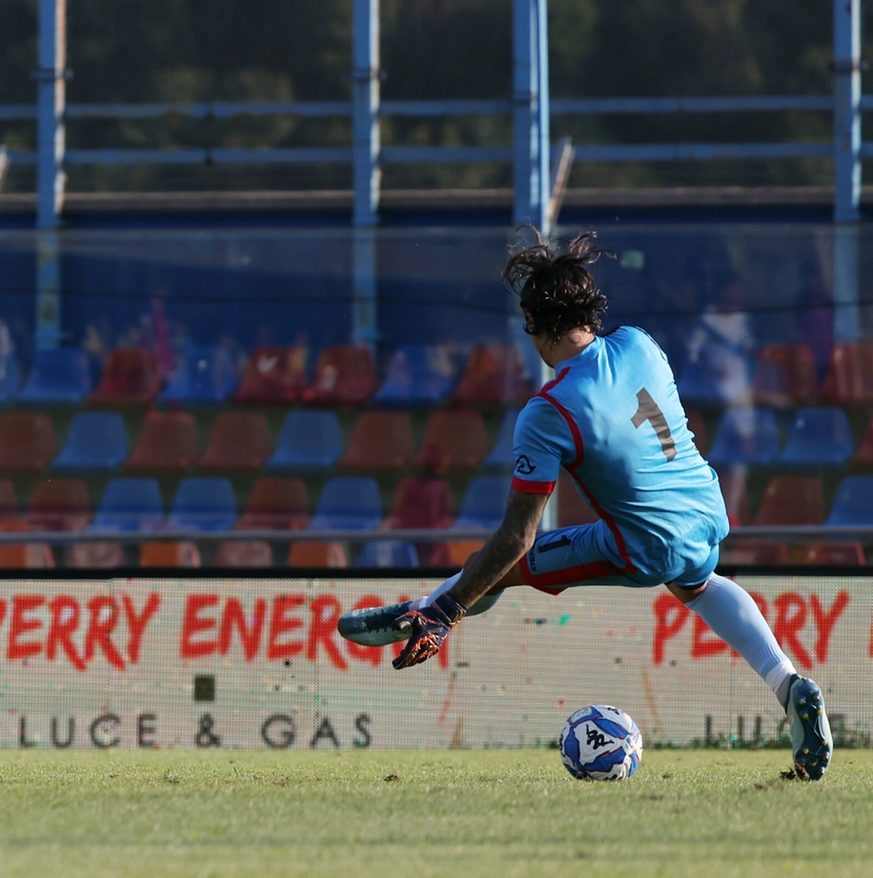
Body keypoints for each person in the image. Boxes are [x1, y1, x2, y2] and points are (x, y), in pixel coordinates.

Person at [338, 228, 832, 781]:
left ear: (534, 329)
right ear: (590, 312)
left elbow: (516, 538)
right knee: (698, 583)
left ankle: (425, 612)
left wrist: (449, 613)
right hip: (706, 508)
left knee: (505, 566)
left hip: (646, 544)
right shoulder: (641, 343)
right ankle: (791, 685)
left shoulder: (549, 410)